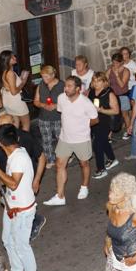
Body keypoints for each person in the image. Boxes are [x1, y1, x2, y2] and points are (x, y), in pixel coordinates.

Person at [0, 125, 40, 271]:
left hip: (22, 210)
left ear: (0, 143)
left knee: (21, 244)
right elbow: (12, 179)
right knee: (8, 241)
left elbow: (14, 183)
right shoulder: (14, 155)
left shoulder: (19, 158)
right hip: (11, 206)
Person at [0, 117, 47, 242]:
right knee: (9, 204)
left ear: (13, 126)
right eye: (0, 127)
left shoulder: (25, 138)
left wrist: (36, 180)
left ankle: (31, 225)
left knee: (24, 206)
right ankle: (21, 230)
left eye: (5, 127)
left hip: (23, 179)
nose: (2, 131)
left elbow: (42, 157)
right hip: (6, 179)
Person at [43, 76, 98, 206]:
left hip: (81, 139)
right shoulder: (61, 98)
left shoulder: (86, 103)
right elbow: (63, 112)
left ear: (78, 89)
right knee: (60, 165)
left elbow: (95, 119)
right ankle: (60, 196)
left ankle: (84, 187)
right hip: (65, 138)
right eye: (65, 85)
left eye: (69, 86)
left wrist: (83, 126)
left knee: (84, 164)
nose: (65, 88)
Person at [89, 72, 120, 179]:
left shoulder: (109, 93)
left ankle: (101, 169)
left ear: (104, 82)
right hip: (94, 122)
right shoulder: (92, 92)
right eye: (94, 81)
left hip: (105, 122)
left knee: (97, 145)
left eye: (99, 81)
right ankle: (112, 159)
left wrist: (102, 110)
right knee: (103, 141)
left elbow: (116, 111)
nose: (96, 83)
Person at [33, 66, 64, 170]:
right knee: (46, 140)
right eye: (42, 77)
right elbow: (36, 101)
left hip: (58, 117)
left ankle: (64, 157)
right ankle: (50, 159)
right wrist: (44, 105)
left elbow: (69, 100)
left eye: (46, 76)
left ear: (53, 75)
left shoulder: (62, 85)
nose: (44, 79)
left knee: (62, 139)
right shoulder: (41, 85)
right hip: (44, 117)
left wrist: (56, 105)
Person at [0, 50, 30, 131]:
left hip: (8, 100)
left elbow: (9, 87)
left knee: (15, 125)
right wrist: (23, 82)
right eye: (12, 57)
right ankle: (26, 143)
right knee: (26, 125)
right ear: (7, 60)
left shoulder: (3, 71)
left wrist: (20, 79)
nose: (15, 58)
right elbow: (14, 92)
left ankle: (15, 141)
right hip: (15, 101)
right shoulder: (10, 73)